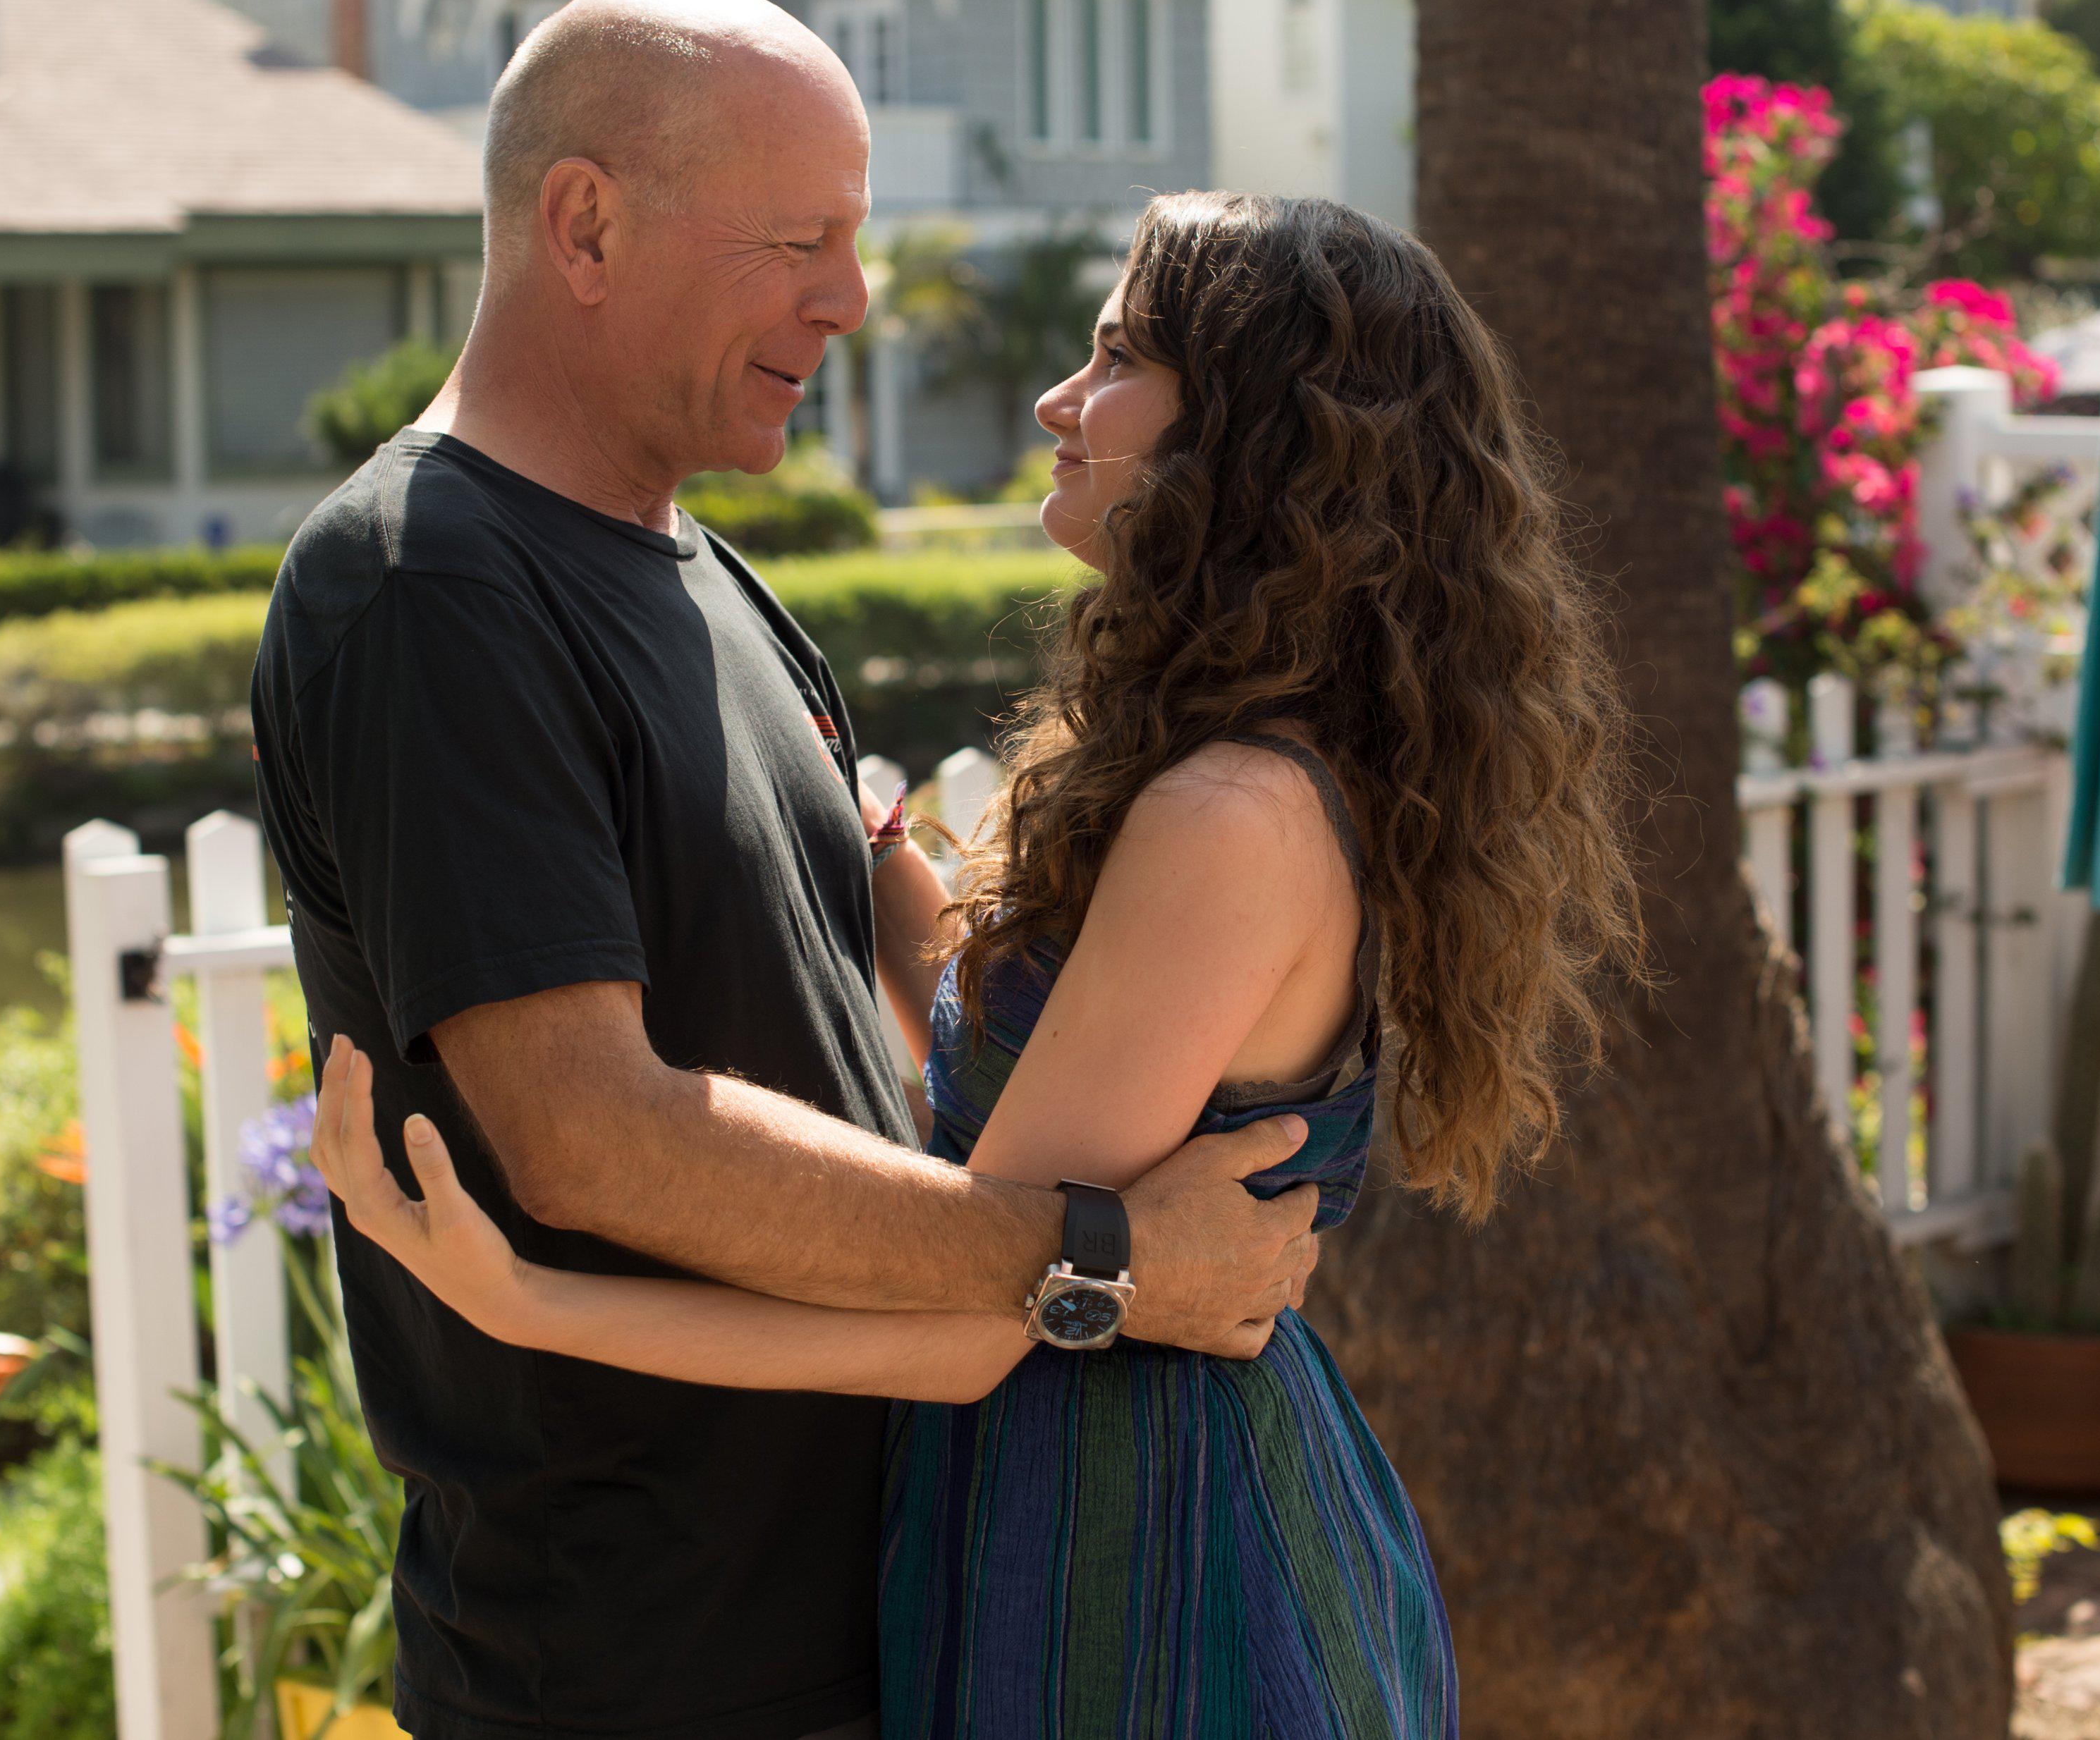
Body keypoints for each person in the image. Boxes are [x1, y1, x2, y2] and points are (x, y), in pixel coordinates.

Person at [314, 189, 1649, 1736]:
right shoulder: (1209, 765)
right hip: (1101, 1499)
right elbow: (1006, 1032)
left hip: (1147, 1558)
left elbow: (966, 1334)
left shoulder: (1230, 813)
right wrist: (847, 814)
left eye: (1118, 358)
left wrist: (526, 1299)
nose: (1055, 402)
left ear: (1257, 434)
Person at [250, 0, 1319, 1740]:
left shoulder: (704, 575)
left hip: (875, 1607)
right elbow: (599, 1137)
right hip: (644, 1666)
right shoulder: (428, 584)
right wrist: (1107, 1257)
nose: (853, 296)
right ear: (584, 224)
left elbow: (899, 994)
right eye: (801, 239)